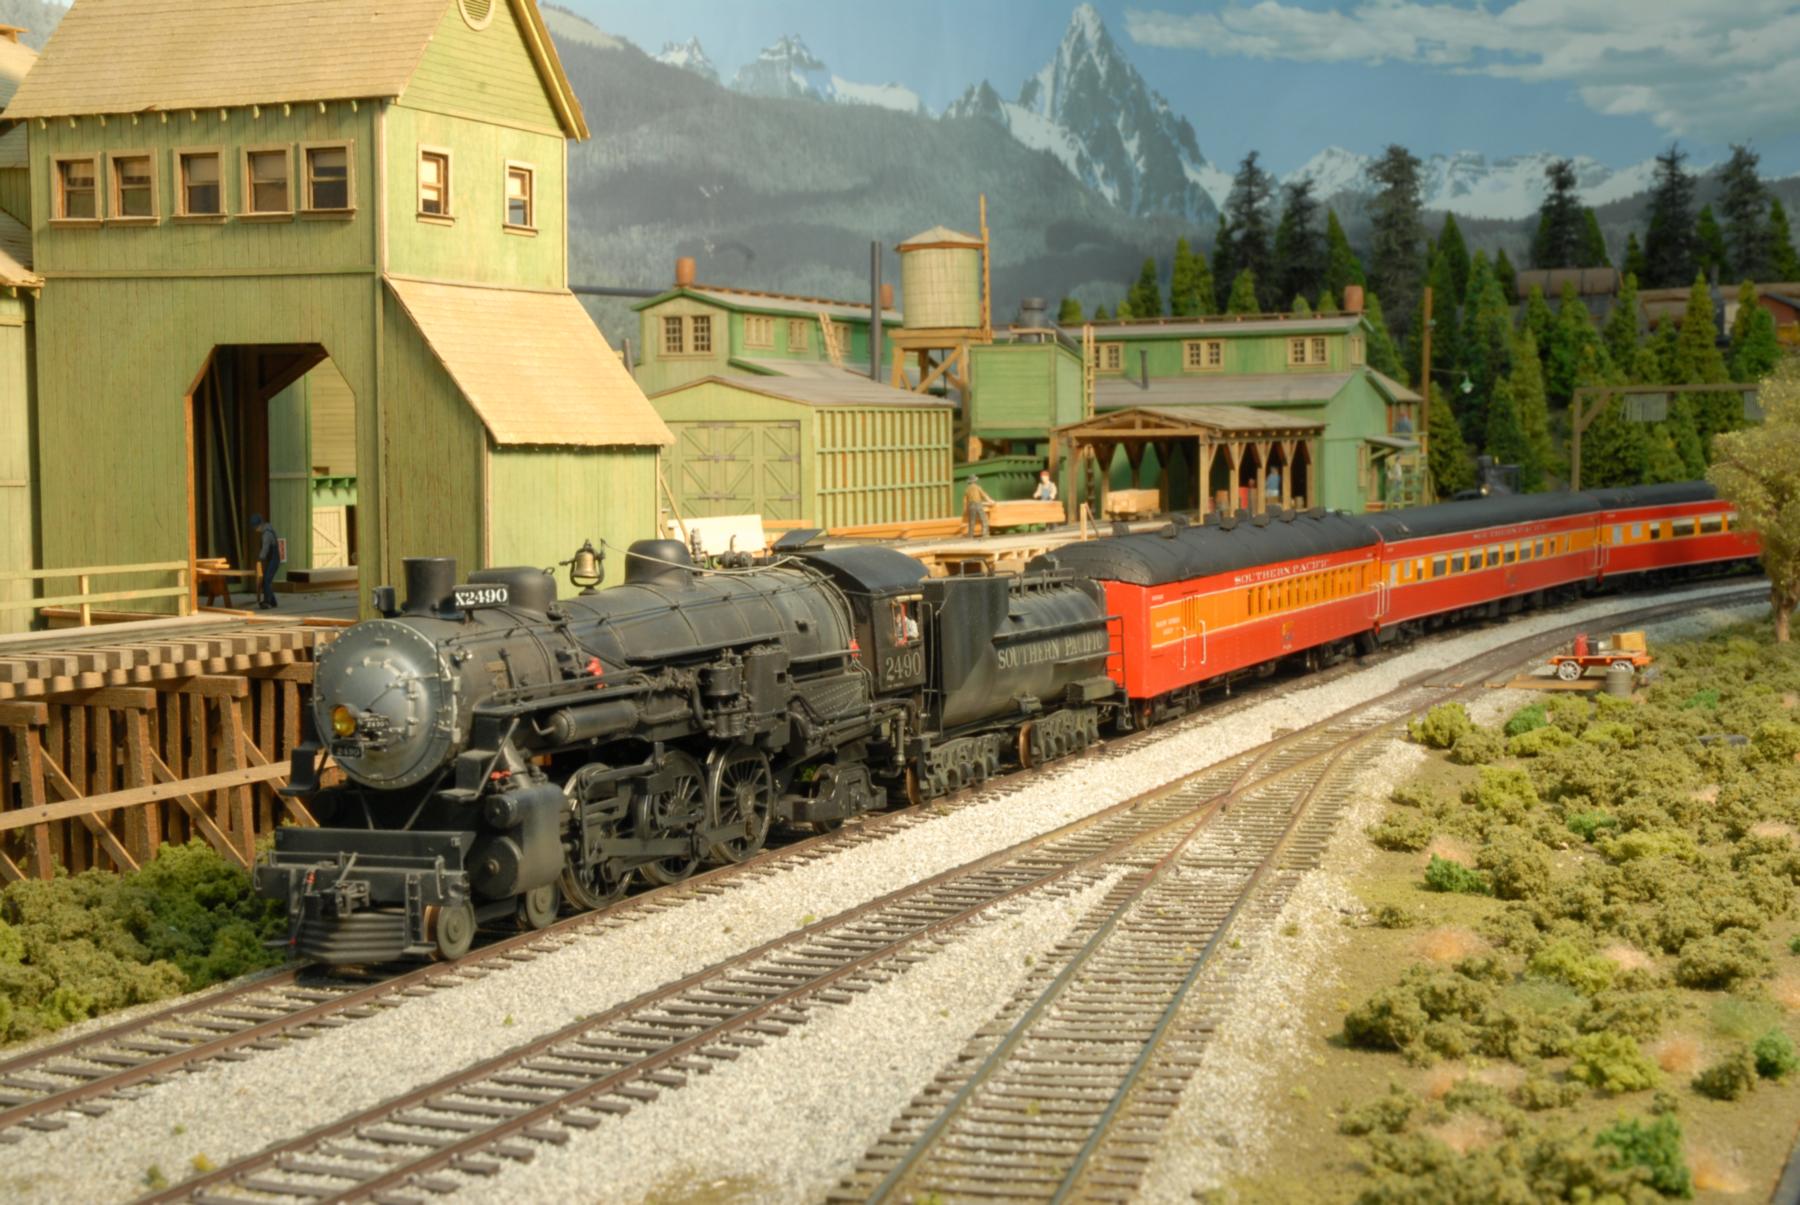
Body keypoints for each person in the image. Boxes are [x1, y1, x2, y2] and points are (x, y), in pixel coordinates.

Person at [250, 513, 280, 609]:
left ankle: (268, 602)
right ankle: (273, 601)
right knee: (267, 580)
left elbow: (265, 548)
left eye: (255, 527)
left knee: (266, 580)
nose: (256, 530)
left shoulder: (266, 534)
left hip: (274, 559)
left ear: (259, 525)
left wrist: (260, 559)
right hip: (273, 559)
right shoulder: (269, 529)